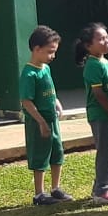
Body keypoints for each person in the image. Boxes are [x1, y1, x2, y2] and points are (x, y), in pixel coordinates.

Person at [21, 25, 71, 206]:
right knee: (41, 155)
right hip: (38, 122)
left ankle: (55, 188)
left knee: (57, 152)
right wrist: (41, 121)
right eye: (50, 52)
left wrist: (56, 103)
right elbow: (27, 101)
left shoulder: (45, 69)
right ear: (37, 49)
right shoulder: (29, 73)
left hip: (52, 120)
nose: (53, 56)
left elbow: (51, 91)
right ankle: (39, 194)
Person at [75, 22, 108, 204]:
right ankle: (102, 191)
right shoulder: (93, 65)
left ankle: (104, 186)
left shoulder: (105, 62)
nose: (106, 42)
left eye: (107, 38)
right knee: (106, 150)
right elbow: (99, 94)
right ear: (88, 46)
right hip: (100, 114)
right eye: (100, 39)